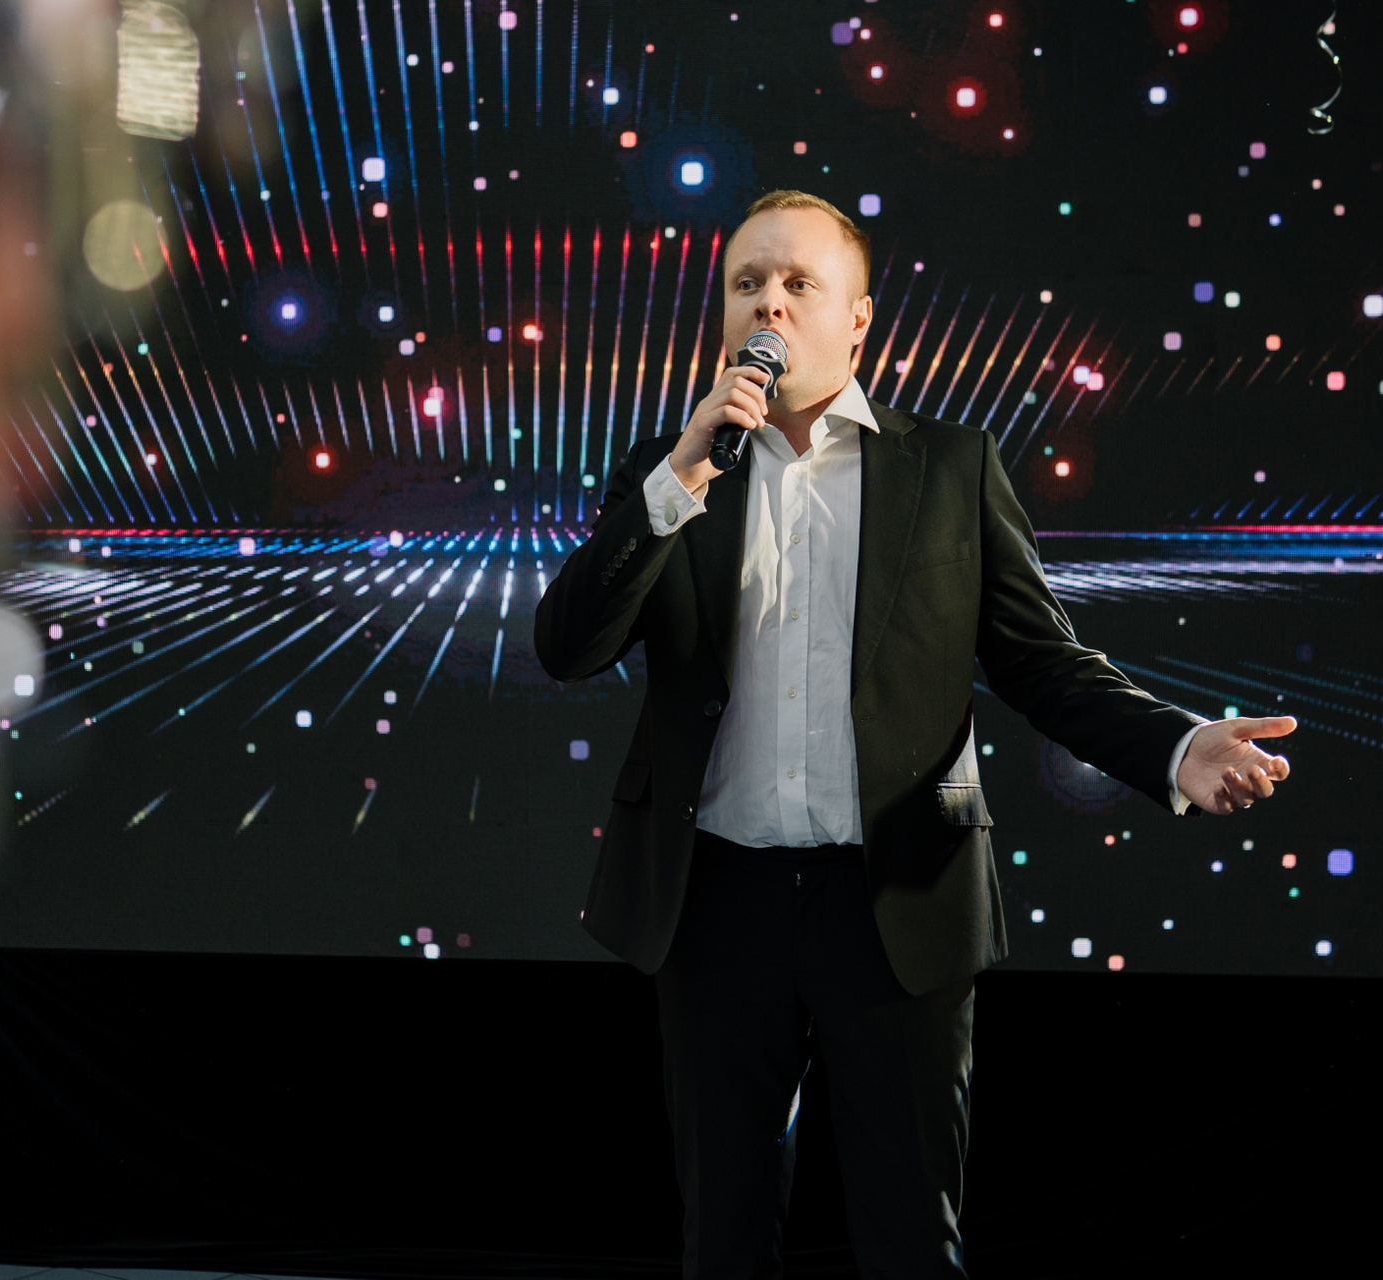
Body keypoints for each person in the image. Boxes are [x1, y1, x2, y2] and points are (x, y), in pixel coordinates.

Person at [533, 190, 1296, 1279]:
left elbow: (1041, 661)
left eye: (799, 283)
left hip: (893, 896)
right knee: (724, 1238)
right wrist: (681, 475)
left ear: (857, 319)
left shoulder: (949, 466)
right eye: (748, 284)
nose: (770, 303)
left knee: (909, 1239)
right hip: (713, 900)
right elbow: (568, 646)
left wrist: (1175, 746)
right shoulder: (673, 466)